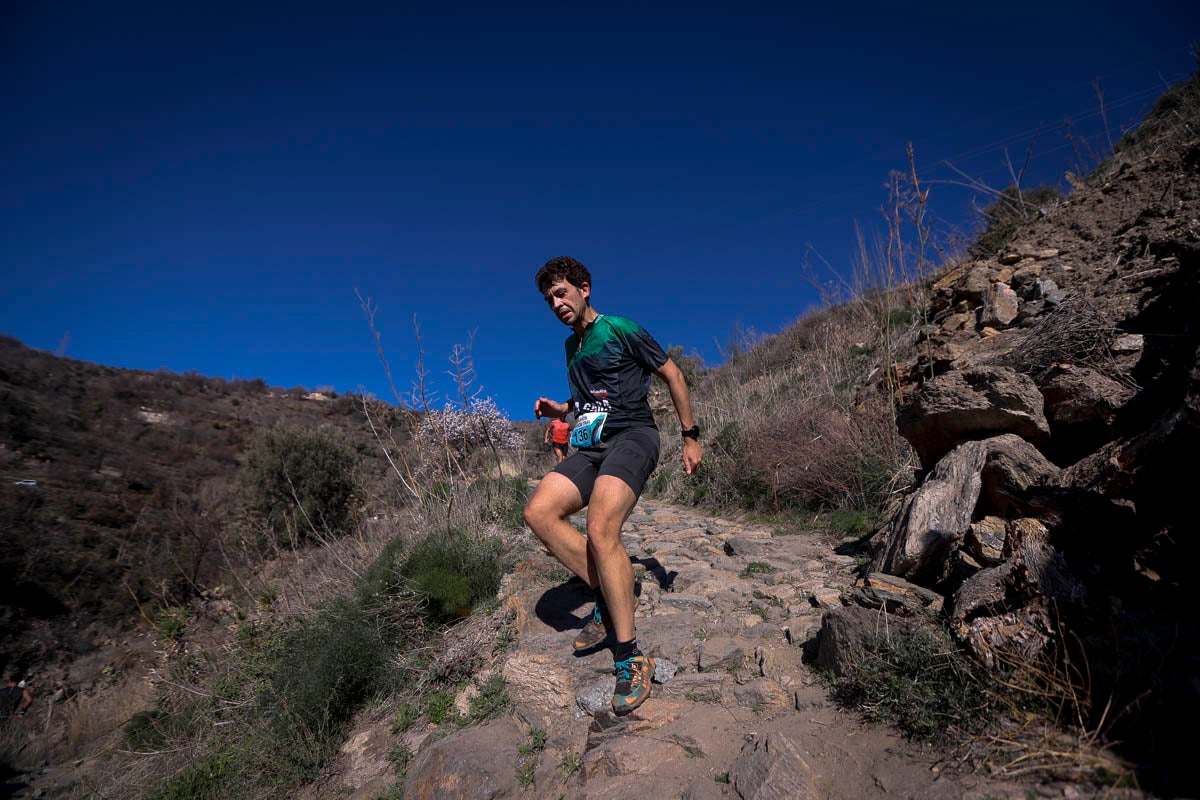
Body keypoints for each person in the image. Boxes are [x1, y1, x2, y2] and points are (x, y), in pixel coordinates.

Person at [523, 256, 702, 716]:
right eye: (549, 300)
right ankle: (611, 590)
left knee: (603, 529)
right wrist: (560, 412)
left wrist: (690, 436)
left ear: (583, 289)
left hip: (634, 436)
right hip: (592, 444)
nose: (556, 303)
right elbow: (587, 403)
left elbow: (673, 375)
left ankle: (630, 657)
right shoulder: (571, 348)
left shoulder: (620, 328)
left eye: (562, 293)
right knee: (539, 512)